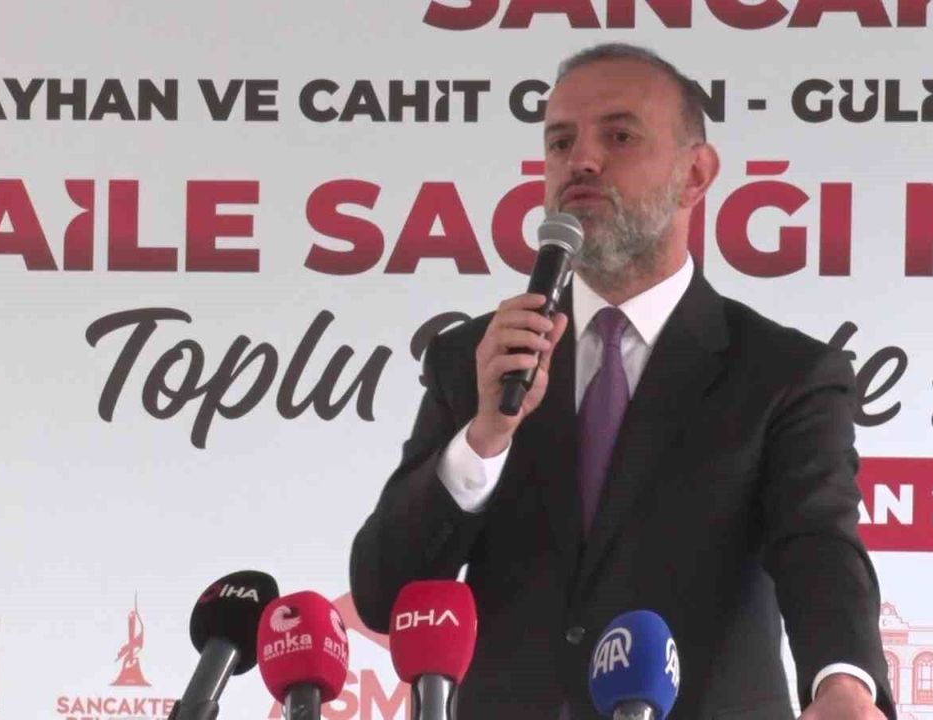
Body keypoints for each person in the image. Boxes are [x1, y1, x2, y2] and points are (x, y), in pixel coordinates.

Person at [349, 42, 895, 720]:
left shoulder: (784, 375)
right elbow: (384, 594)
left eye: (619, 136)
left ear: (695, 175)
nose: (581, 160)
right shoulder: (477, 361)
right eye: (560, 142)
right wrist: (484, 437)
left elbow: (818, 546)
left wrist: (843, 682)